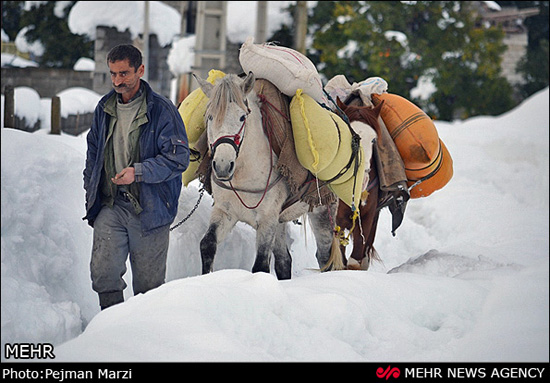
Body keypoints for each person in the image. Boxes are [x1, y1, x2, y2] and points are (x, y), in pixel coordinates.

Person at [83, 44, 189, 310]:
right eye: (113, 74)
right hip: (111, 205)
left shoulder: (162, 110)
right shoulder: (104, 107)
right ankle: (110, 331)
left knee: (148, 288)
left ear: (140, 70)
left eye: (124, 73)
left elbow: (178, 159)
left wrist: (138, 172)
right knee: (104, 274)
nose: (117, 81)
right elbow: (93, 154)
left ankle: (142, 340)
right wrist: (91, 192)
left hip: (150, 209)